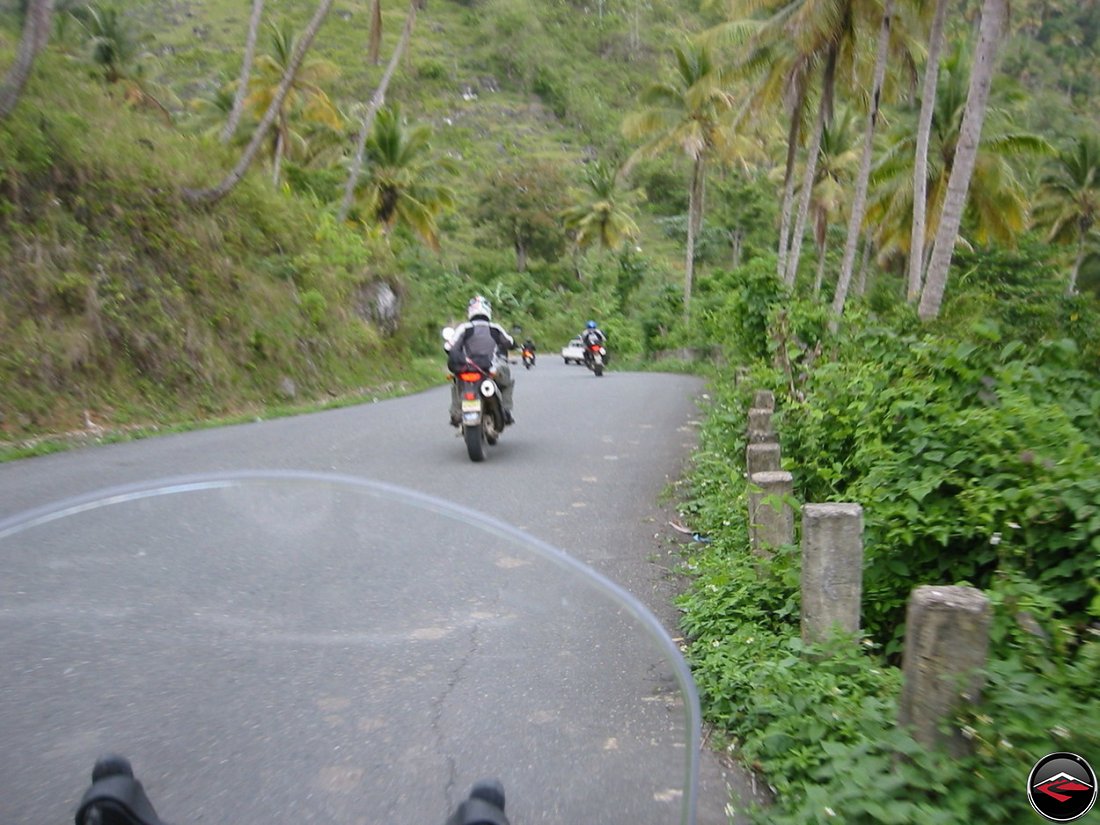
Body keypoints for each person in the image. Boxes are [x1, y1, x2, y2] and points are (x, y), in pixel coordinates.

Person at [445, 295, 515, 426]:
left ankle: (456, 412)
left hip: (467, 368)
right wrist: (512, 344)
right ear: (488, 310)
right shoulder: (495, 328)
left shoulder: (464, 328)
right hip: (490, 369)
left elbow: (449, 347)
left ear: (470, 311)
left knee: (456, 384)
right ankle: (506, 410)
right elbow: (509, 342)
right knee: (507, 382)